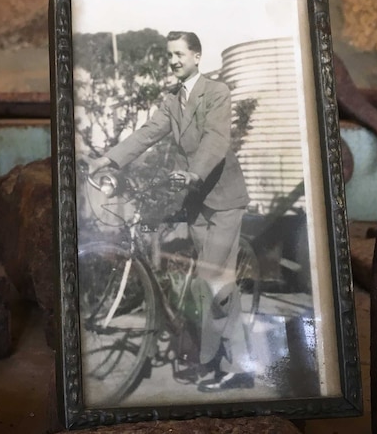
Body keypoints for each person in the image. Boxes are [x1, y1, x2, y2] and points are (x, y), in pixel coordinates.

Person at [87, 30, 254, 393]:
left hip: (224, 200)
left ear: (196, 56)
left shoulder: (217, 92)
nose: (173, 61)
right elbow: (147, 134)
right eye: (169, 55)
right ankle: (237, 363)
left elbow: (216, 139)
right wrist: (109, 158)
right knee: (221, 282)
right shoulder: (171, 100)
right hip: (196, 204)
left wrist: (194, 171)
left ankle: (218, 361)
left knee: (209, 281)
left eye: (179, 54)